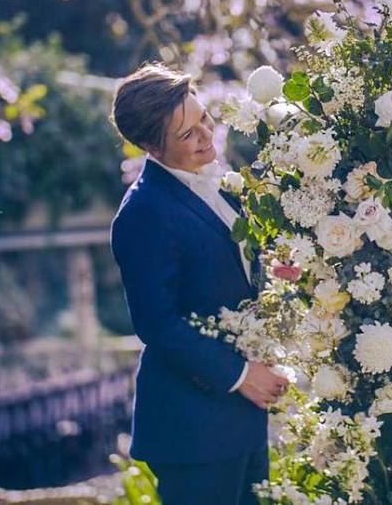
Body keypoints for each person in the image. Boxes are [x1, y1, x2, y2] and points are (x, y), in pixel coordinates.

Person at [109, 63, 289, 504]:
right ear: (152, 147)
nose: (207, 136)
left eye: (204, 118)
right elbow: (157, 325)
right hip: (192, 427)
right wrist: (241, 376)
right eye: (188, 134)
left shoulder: (219, 182)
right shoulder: (143, 213)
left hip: (240, 418)